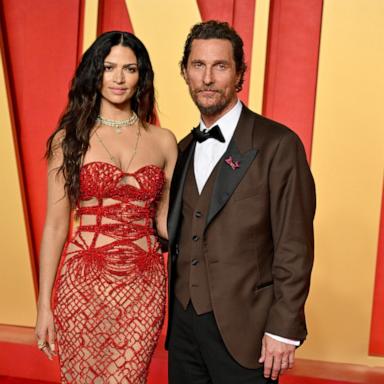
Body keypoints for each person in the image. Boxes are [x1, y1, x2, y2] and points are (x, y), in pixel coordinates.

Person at [166, 20, 316, 384]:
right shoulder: (180, 151)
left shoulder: (278, 145)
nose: (208, 78)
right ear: (185, 72)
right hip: (184, 329)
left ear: (239, 75)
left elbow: (294, 244)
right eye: (198, 65)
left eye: (220, 66)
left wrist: (283, 329)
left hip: (249, 331)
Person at [35, 31, 177, 383]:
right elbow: (55, 227)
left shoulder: (164, 141)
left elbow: (166, 224)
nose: (118, 78)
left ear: (141, 76)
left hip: (144, 285)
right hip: (83, 283)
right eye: (109, 67)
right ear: (94, 73)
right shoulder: (68, 140)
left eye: (129, 69)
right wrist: (43, 307)